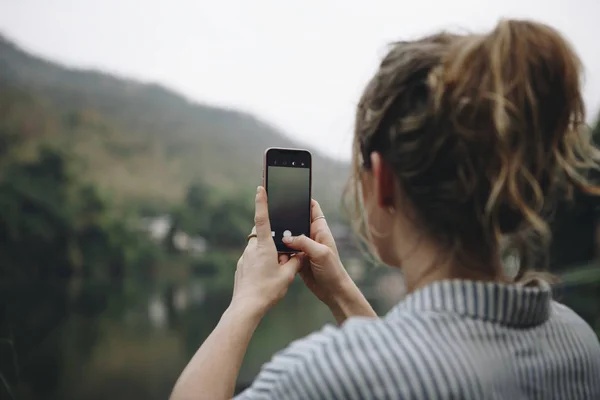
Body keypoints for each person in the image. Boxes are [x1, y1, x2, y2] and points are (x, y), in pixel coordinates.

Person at [170, 19, 600, 400]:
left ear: (384, 180)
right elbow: (420, 362)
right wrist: (342, 293)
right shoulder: (578, 342)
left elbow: (390, 366)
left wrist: (244, 303)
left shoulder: (324, 375)